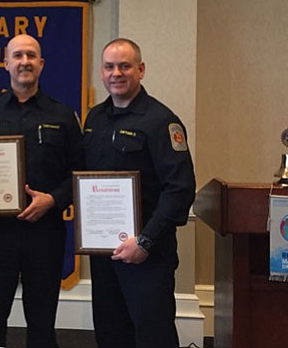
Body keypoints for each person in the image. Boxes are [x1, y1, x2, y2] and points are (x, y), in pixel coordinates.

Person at [0, 34, 83, 348]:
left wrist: (54, 199)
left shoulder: (62, 115)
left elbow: (81, 173)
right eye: (17, 56)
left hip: (44, 231)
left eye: (31, 56)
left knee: (42, 321)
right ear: (5, 63)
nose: (24, 62)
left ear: (41, 65)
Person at [83, 38, 196, 348]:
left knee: (152, 336)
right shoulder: (94, 119)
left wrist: (145, 241)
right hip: (105, 253)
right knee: (110, 333)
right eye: (109, 67)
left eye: (125, 66)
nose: (116, 73)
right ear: (102, 72)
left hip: (147, 253)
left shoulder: (161, 121)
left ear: (141, 69)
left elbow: (180, 188)